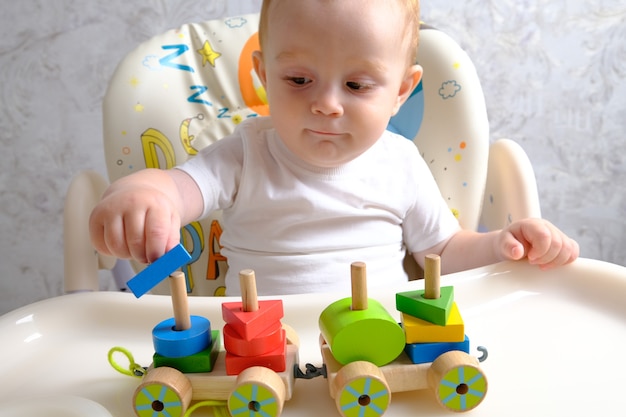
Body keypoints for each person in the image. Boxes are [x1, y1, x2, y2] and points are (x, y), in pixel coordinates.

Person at [89, 0, 579, 295]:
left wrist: (503, 245)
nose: (326, 104)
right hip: (258, 347)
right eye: (299, 80)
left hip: (376, 344)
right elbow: (178, 188)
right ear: (263, 78)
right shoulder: (246, 154)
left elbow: (446, 251)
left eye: (358, 86)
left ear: (401, 93)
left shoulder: (400, 163)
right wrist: (146, 194)